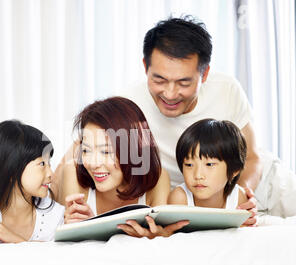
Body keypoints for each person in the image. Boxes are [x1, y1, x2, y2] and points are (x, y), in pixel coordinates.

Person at [120, 15, 296, 218]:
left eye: (184, 83)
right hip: (189, 197)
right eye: (159, 79)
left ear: (204, 75)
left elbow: (251, 158)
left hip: (254, 184)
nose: (169, 93)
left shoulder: (225, 89)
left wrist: (239, 199)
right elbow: (87, 154)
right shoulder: (128, 104)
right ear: (145, 67)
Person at [59, 96, 189, 238]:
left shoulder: (158, 177)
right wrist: (79, 227)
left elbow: (160, 233)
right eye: (86, 150)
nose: (93, 163)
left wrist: (159, 235)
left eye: (106, 151)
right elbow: (69, 239)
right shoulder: (73, 172)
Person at [168, 118, 248, 209]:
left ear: (235, 170)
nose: (198, 175)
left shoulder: (238, 198)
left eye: (209, 164)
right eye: (189, 165)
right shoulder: (179, 198)